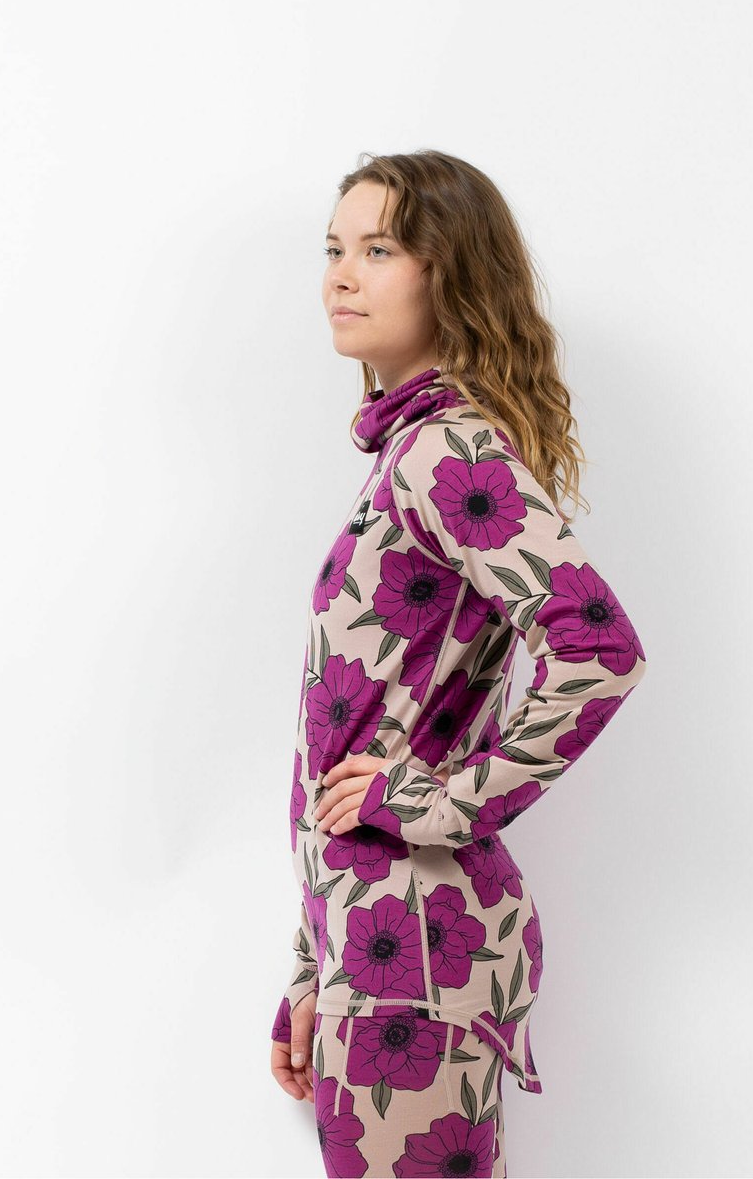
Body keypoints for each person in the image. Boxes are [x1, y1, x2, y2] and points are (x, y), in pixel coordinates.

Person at [270, 150, 648, 1178]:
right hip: (378, 944)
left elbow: (599, 651)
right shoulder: (409, 452)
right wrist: (314, 964)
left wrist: (437, 803)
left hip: (416, 951)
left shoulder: (449, 450)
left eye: (379, 250)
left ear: (453, 273)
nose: (340, 277)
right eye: (335, 250)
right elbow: (348, 741)